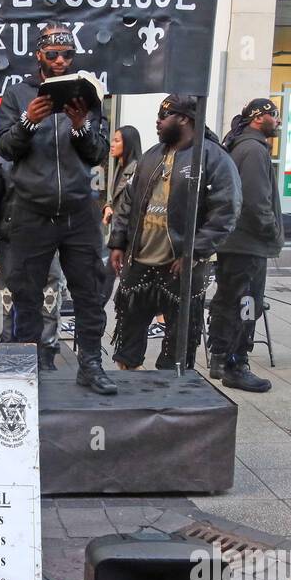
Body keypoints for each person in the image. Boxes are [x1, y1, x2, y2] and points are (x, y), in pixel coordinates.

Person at [0, 22, 114, 393]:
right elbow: (4, 149)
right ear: (39, 55)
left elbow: (98, 153)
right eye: (53, 54)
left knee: (89, 291)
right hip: (32, 208)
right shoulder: (17, 94)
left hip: (79, 210)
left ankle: (91, 363)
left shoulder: (88, 94)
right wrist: (29, 121)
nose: (61, 61)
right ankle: (27, 365)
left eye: (67, 55)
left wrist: (81, 125)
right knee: (26, 293)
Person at [108, 94, 238, 372]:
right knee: (128, 335)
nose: (157, 121)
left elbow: (226, 211)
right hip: (140, 260)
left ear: (184, 119)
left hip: (181, 264)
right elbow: (128, 203)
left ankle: (170, 396)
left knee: (177, 343)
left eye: (163, 115)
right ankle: (127, 388)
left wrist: (195, 251)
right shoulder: (151, 155)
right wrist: (118, 242)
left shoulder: (213, 157)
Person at [210, 98, 285, 392]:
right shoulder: (254, 150)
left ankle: (221, 359)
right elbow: (256, 202)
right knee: (245, 304)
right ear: (258, 118)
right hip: (248, 244)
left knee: (230, 300)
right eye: (274, 115)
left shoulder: (242, 146)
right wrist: (272, 233)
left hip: (237, 242)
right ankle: (235, 364)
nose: (277, 121)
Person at [0, 146, 65, 363]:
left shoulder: (53, 151)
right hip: (10, 242)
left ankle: (46, 353)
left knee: (50, 294)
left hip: (47, 239)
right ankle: (9, 351)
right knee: (8, 296)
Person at [103, 125, 142, 227]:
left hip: (128, 230)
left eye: (116, 141)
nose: (112, 145)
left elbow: (132, 204)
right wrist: (108, 207)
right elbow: (117, 199)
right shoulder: (120, 166)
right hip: (118, 228)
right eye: (112, 140)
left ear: (128, 144)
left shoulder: (137, 170)